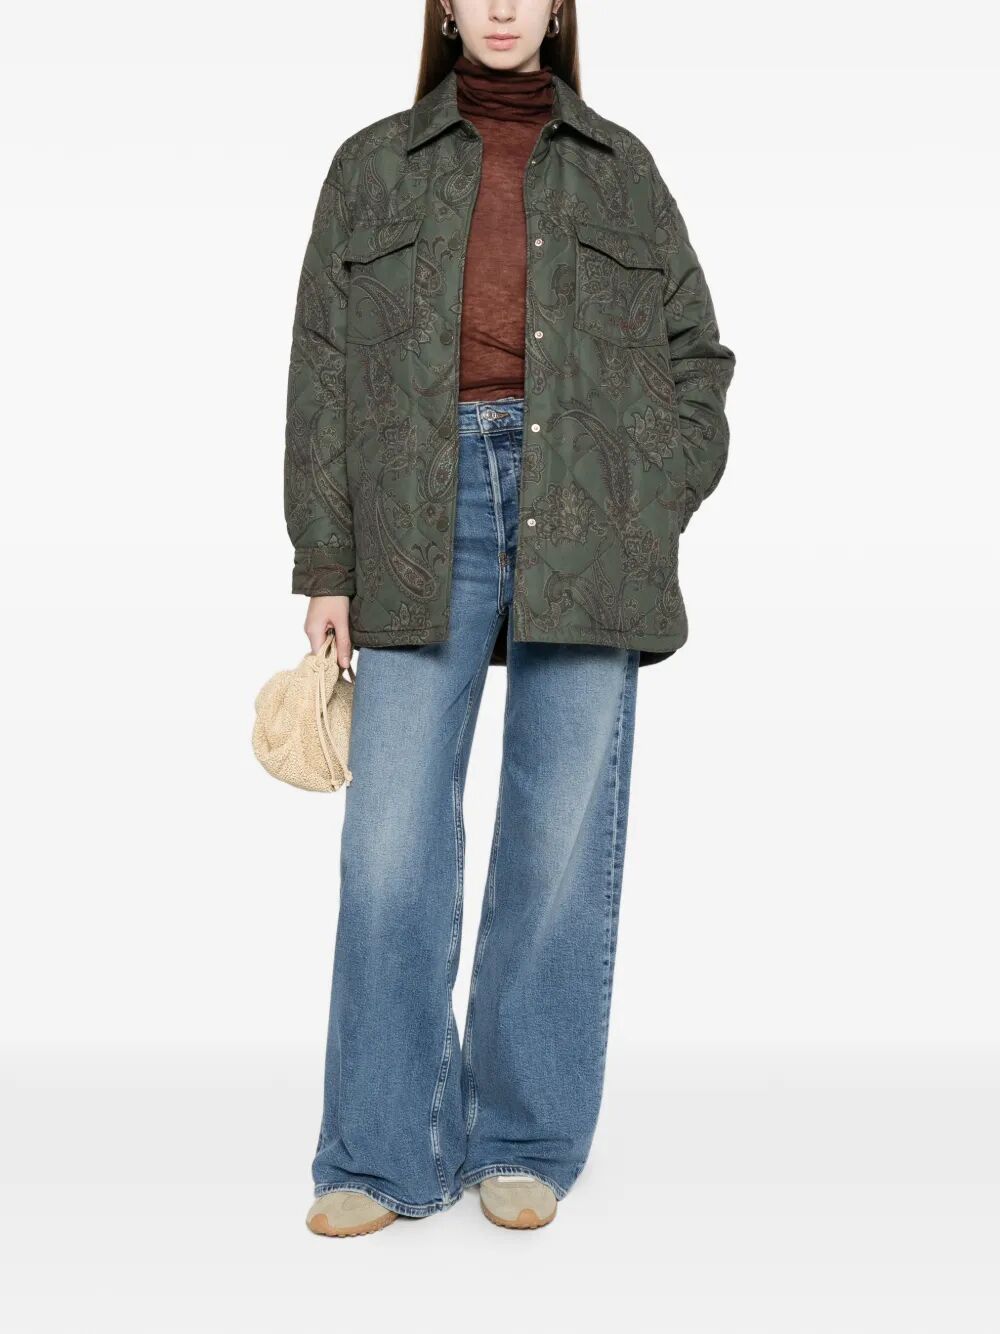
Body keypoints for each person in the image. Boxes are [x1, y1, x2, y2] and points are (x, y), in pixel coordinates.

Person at [283, 0, 735, 1237]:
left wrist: (648, 495)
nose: (499, 6)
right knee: (390, 845)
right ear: (441, 5)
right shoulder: (372, 165)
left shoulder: (621, 168)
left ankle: (525, 1138)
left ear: (557, 7)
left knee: (555, 845)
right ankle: (381, 1150)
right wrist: (326, 562)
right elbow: (322, 368)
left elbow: (697, 358)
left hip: (589, 517)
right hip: (416, 510)